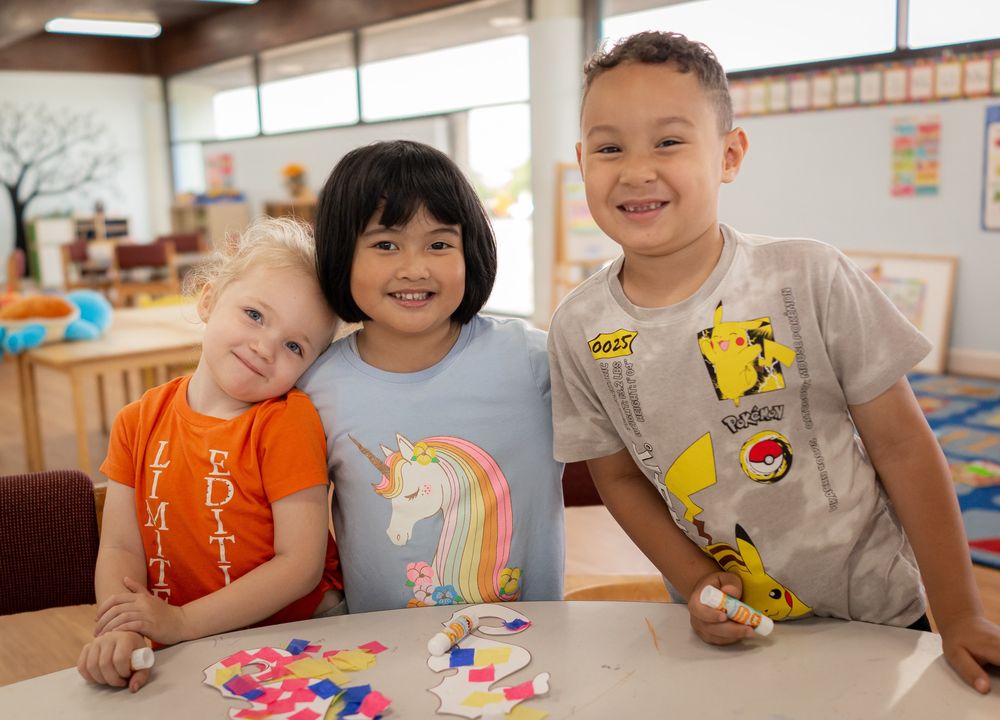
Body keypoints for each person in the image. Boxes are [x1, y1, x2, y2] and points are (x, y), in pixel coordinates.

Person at [548, 30, 1000, 693]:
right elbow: (616, 476)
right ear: (582, 161)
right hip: (727, 625)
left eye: (668, 141)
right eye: (610, 148)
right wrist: (696, 580)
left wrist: (959, 612)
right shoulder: (579, 328)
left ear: (729, 154)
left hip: (874, 608)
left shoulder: (808, 277)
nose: (637, 170)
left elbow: (903, 446)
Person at [77, 217, 344, 692]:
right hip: (188, 647)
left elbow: (300, 567)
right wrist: (123, 627)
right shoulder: (136, 422)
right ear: (208, 299)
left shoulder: (287, 421)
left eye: (294, 346)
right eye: (255, 315)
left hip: (296, 640)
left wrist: (181, 621)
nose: (264, 347)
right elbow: (120, 548)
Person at [299, 140, 564, 613]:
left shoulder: (532, 363)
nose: (414, 269)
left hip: (532, 639)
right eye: (385, 244)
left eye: (439, 244)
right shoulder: (316, 390)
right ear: (341, 253)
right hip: (381, 646)